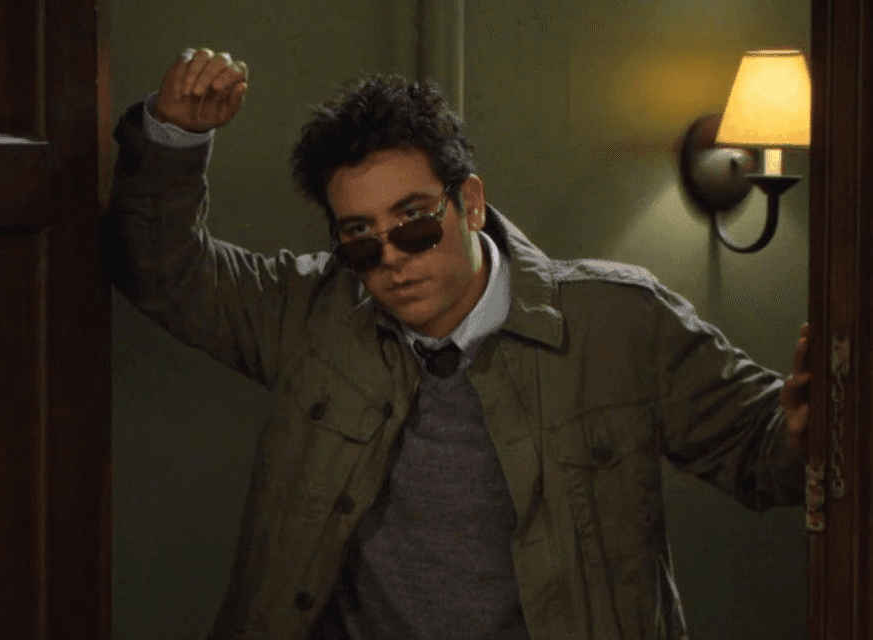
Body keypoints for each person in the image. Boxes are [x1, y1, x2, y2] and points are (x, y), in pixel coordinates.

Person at [98, 47, 812, 640]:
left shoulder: (618, 321)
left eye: (413, 223)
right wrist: (174, 139)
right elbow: (163, 274)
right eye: (360, 239)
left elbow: (761, 449)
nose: (391, 259)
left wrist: (801, 432)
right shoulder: (312, 313)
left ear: (469, 203)